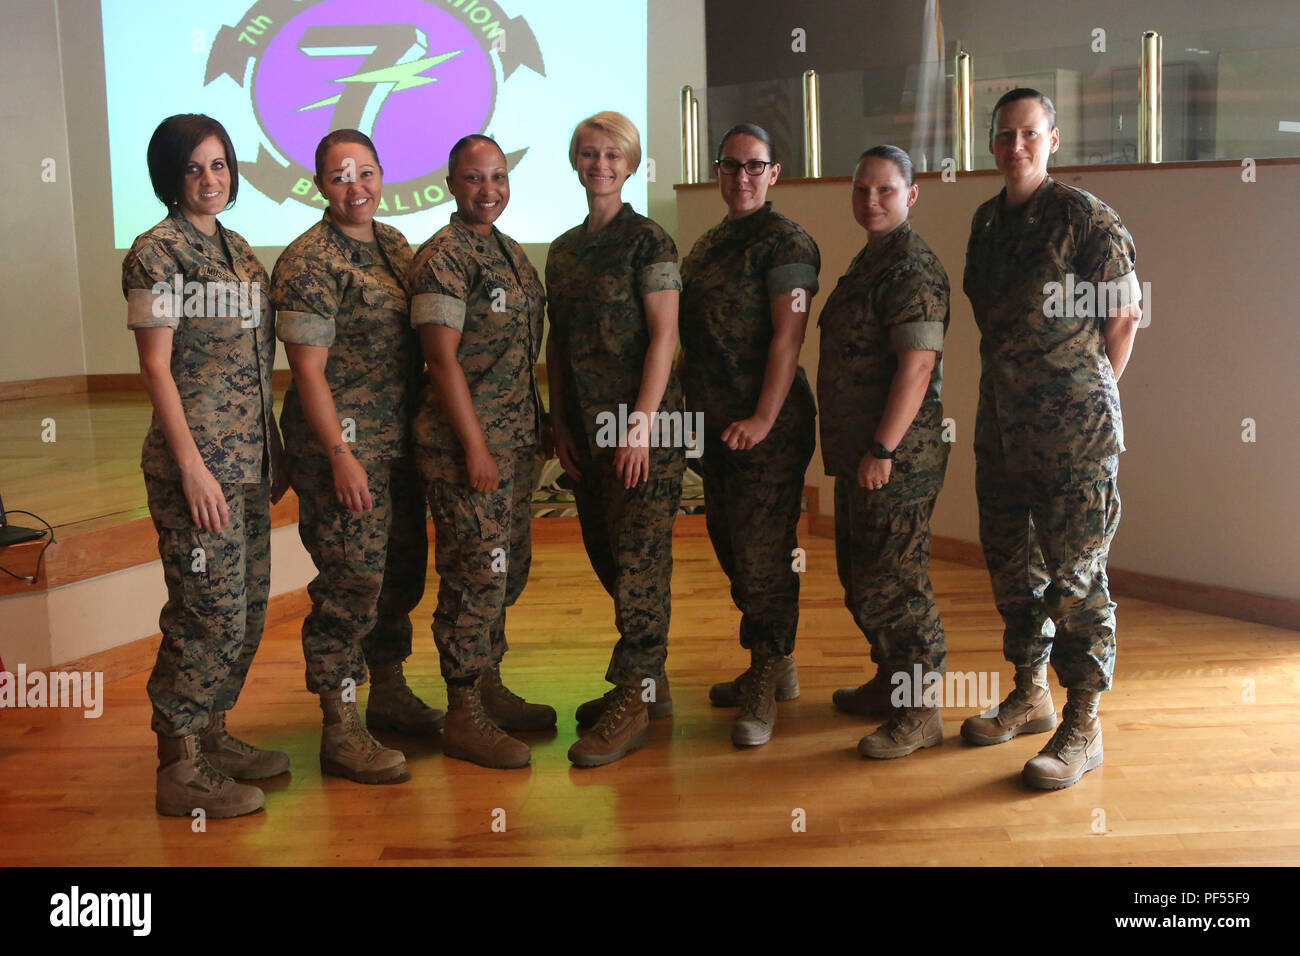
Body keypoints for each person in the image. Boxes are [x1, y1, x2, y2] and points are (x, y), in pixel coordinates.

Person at [960, 89, 1142, 789]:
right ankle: (1030, 693)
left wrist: (1087, 395)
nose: (1015, 147)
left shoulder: (1084, 216)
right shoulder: (985, 222)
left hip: (1076, 434)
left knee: (1075, 581)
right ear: (993, 143)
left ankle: (1083, 721)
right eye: (1004, 135)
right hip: (1002, 429)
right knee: (1013, 569)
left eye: (1028, 134)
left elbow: (1123, 319)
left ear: (1053, 139)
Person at [123, 114, 290, 818]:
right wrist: (192, 468)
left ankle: (214, 734)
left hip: (248, 464)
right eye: (194, 167)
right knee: (207, 612)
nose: (209, 179)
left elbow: (256, 366)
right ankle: (179, 760)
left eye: (219, 165)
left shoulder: (242, 252)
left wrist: (274, 449)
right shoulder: (155, 254)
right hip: (196, 469)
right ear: (170, 176)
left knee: (247, 613)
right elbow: (155, 369)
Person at [271, 129, 441, 786]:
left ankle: (390, 691)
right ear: (319, 185)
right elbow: (307, 372)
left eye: (366, 172)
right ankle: (340, 726)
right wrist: (341, 456)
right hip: (341, 454)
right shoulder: (310, 262)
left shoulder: (396, 247)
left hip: (398, 445)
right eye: (341, 176)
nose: (357, 187)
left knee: (397, 575)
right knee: (351, 586)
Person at [407, 134, 553, 770]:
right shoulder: (444, 257)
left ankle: (489, 685)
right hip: (467, 451)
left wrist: (539, 423)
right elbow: (440, 360)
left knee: (505, 572)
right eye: (473, 178)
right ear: (449, 183)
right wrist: (475, 448)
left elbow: (519, 355)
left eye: (497, 176)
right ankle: (463, 711)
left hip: (516, 443)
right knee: (474, 578)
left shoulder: (512, 254)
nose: (488, 189)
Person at [546, 111, 684, 767]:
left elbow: (664, 336)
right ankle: (648, 683)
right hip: (589, 437)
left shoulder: (648, 241)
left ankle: (632, 701)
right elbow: (560, 342)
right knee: (609, 559)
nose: (600, 164)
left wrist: (641, 425)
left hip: (642, 434)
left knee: (638, 568)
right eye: (589, 153)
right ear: (576, 161)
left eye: (612, 155)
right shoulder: (565, 250)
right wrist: (562, 424)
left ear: (630, 165)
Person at [679, 123, 819, 747]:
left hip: (769, 428)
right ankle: (776, 662)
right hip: (714, 428)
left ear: (774, 173)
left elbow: (788, 339)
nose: (741, 176)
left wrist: (762, 418)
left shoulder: (786, 243)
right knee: (731, 546)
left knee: (764, 556)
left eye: (754, 166)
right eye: (730, 165)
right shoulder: (708, 246)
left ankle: (766, 672)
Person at [818, 145, 951, 759]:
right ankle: (890, 682)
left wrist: (881, 448)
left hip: (894, 458)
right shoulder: (871, 261)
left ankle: (920, 710)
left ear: (911, 196)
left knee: (895, 584)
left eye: (885, 191)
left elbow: (917, 367)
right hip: (861, 456)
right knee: (862, 577)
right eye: (862, 190)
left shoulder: (911, 268)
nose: (871, 201)